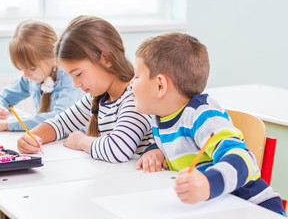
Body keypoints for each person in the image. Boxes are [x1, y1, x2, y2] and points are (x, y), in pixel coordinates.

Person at [130, 32, 286, 215]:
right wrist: (155, 150)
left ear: (160, 86)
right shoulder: (161, 116)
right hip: (212, 208)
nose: (131, 84)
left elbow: (243, 159)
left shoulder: (203, 115)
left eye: (137, 76)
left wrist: (207, 183)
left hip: (252, 207)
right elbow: (175, 142)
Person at [17, 15, 152, 163]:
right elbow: (60, 123)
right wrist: (31, 137)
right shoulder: (99, 97)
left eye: (78, 74)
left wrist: (82, 141)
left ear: (106, 58)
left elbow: (117, 151)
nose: (76, 84)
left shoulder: (135, 98)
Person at [0, 19, 85, 132]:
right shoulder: (32, 78)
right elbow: (4, 97)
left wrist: (6, 124)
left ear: (53, 57)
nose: (25, 75)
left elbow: (59, 118)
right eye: (22, 69)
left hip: (74, 144)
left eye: (32, 68)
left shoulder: (70, 79)